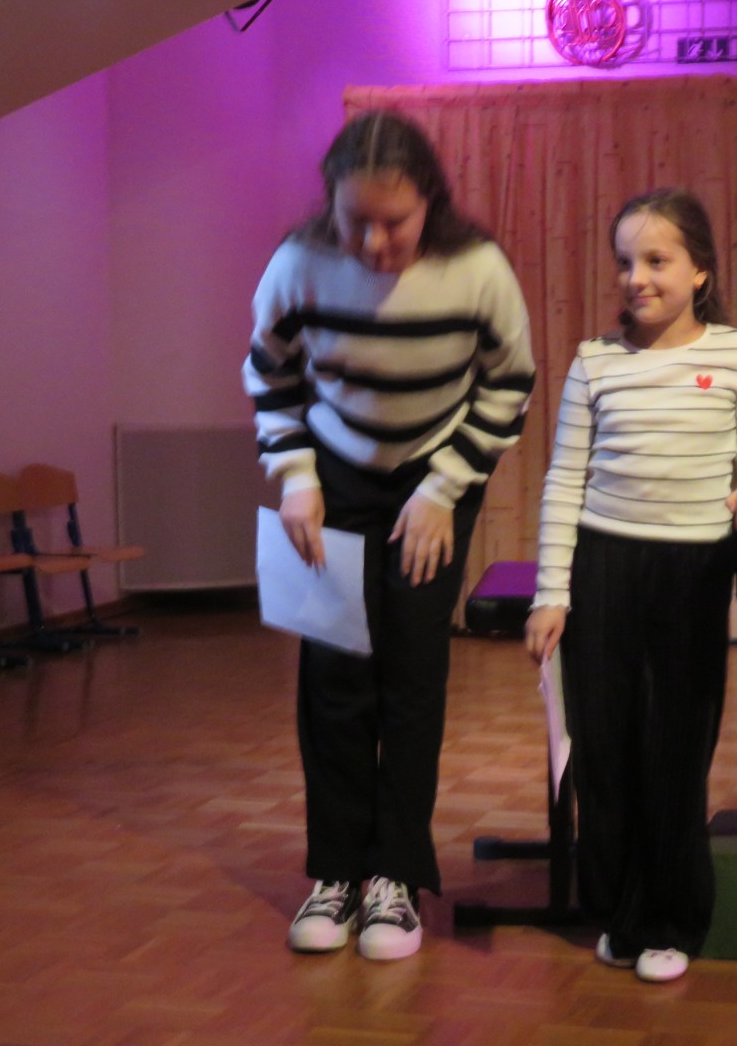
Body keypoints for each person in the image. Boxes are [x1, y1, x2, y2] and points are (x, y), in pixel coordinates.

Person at [243, 110, 536, 961]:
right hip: (334, 474)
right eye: (355, 221)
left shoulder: (477, 269)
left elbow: (508, 384)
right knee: (334, 674)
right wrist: (297, 478)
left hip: (431, 479)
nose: (374, 242)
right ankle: (336, 872)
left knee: (411, 670)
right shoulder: (298, 264)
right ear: (329, 207)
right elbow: (271, 376)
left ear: (430, 201)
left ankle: (395, 880)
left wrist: (444, 489)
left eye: (394, 222)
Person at [524, 188, 737, 983]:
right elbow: (564, 478)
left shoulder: (735, 353)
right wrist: (552, 591)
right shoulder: (595, 361)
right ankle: (621, 910)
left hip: (693, 571)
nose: (635, 277)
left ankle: (673, 917)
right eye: (625, 262)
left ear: (700, 270)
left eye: (656, 260)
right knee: (604, 748)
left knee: (675, 747)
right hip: (605, 564)